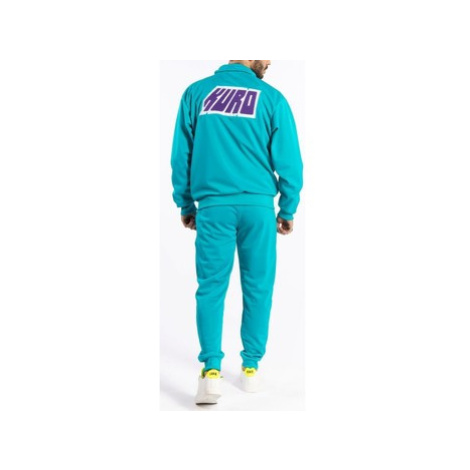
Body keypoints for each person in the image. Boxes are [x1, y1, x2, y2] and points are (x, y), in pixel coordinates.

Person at [170, 60, 303, 404]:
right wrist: (287, 208)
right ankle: (251, 369)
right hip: (258, 209)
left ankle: (211, 371)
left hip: (213, 207)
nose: (270, 60)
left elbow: (181, 154)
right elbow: (290, 159)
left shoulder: (196, 94)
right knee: (258, 287)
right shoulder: (271, 98)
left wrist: (185, 203)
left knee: (210, 288)